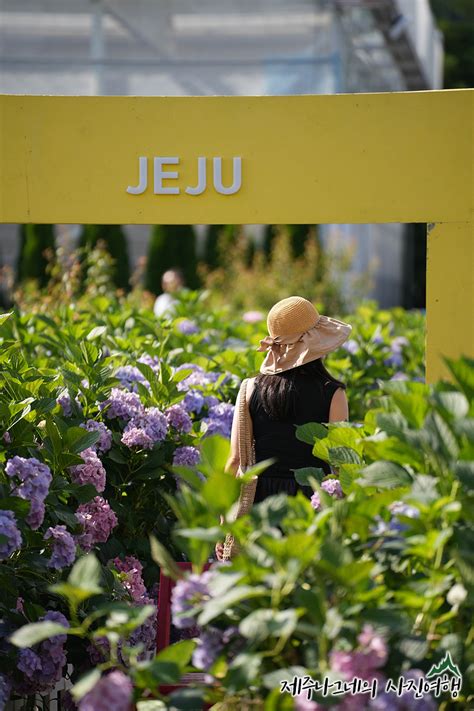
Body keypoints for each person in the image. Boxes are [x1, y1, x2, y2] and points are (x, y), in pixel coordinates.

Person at [215, 295, 352, 561]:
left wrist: (224, 523)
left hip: (259, 504)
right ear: (316, 342)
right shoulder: (333, 393)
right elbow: (340, 462)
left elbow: (235, 461)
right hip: (310, 503)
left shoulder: (250, 388)